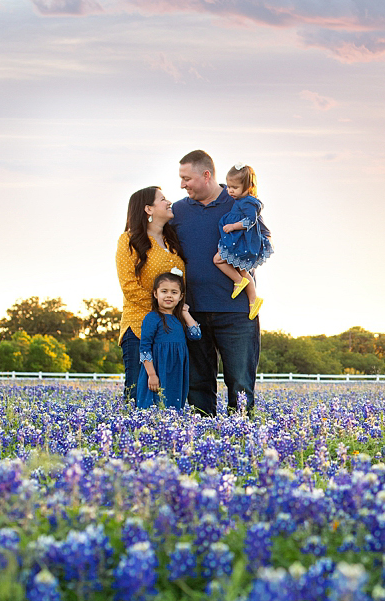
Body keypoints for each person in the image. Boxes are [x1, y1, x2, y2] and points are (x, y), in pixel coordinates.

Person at [170, 150, 260, 416]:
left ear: (206, 175)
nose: (182, 185)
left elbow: (258, 244)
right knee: (197, 384)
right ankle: (202, 443)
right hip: (192, 311)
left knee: (240, 383)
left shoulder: (240, 203)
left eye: (187, 178)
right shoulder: (178, 210)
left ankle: (240, 441)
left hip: (236, 310)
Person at [113, 186, 186, 404]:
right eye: (163, 199)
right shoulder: (129, 240)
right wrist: (163, 310)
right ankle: (134, 434)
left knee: (167, 393)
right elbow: (129, 286)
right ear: (148, 208)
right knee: (139, 392)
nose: (169, 202)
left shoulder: (172, 242)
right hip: (139, 325)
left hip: (171, 330)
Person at [212, 164, 271, 318]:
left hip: (241, 241)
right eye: (229, 187)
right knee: (241, 269)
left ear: (248, 186)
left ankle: (242, 285)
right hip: (236, 240)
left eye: (235, 187)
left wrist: (233, 226)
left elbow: (251, 220)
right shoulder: (240, 200)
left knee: (221, 260)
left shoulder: (249, 202)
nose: (230, 191)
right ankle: (252, 299)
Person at [136, 272, 199, 410]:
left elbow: (196, 335)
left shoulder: (180, 319)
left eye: (174, 292)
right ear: (155, 294)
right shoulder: (152, 318)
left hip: (176, 371)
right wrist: (152, 375)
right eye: (164, 291)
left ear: (181, 296)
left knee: (173, 406)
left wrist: (185, 312)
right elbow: (144, 348)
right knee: (154, 405)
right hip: (159, 368)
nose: (169, 295)